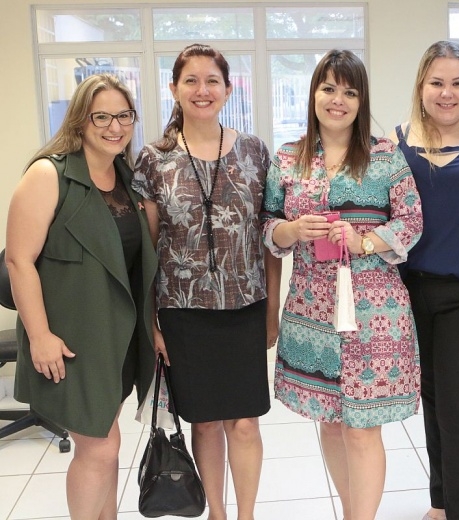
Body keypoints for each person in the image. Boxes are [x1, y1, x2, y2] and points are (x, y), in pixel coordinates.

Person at [262, 49, 422, 520]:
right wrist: (290, 230)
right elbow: (266, 224)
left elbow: (412, 220)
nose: (338, 100)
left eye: (350, 92)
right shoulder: (288, 158)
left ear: (361, 101)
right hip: (311, 310)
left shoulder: (385, 156)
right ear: (313, 94)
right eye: (329, 88)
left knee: (362, 428)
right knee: (331, 423)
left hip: (375, 313)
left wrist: (365, 241)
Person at [133, 43, 281, 520]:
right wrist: (150, 322)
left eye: (212, 80)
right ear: (174, 89)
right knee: (205, 423)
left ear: (228, 89)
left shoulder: (254, 151)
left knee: (245, 424)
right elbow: (147, 250)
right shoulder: (153, 159)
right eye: (191, 81)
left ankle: (246, 515)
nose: (202, 90)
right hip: (183, 314)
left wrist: (273, 309)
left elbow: (268, 237)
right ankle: (217, 513)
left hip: (245, 307)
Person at [6, 73, 157, 519]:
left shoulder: (126, 177)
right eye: (102, 117)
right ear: (79, 120)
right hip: (70, 338)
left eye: (124, 116)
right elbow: (18, 261)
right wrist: (40, 336)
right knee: (100, 446)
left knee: (105, 445)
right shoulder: (49, 174)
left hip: (115, 336)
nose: (115, 126)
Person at [391, 41, 459, 520]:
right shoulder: (397, 143)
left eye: (458, 83)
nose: (447, 92)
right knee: (434, 400)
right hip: (411, 292)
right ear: (421, 86)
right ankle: (441, 502)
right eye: (437, 82)